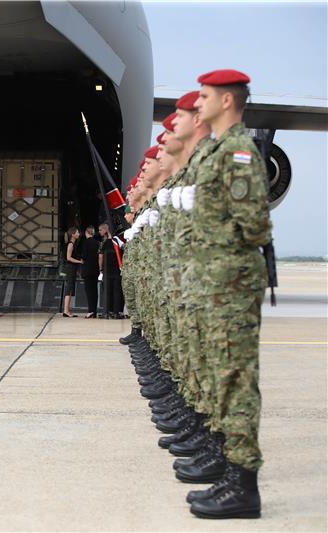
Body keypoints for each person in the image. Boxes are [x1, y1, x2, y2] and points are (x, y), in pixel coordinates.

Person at [183, 70, 271, 519]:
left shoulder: (237, 152)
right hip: (216, 283)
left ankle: (243, 484)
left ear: (228, 101)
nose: (199, 104)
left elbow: (254, 221)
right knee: (222, 373)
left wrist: (227, 259)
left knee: (236, 378)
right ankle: (228, 466)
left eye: (205, 96)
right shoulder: (217, 150)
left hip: (232, 283)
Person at [98, 223, 124, 318]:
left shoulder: (104, 243)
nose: (99, 232)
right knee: (117, 291)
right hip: (117, 270)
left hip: (107, 270)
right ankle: (116, 313)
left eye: (101, 230)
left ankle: (106, 312)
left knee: (107, 291)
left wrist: (100, 268)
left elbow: (100, 256)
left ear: (106, 230)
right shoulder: (117, 241)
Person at [80, 226, 101, 319]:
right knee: (95, 291)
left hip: (87, 270)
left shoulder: (85, 243)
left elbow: (84, 256)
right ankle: (95, 311)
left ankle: (90, 311)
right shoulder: (97, 243)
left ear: (86, 233)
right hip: (95, 270)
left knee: (89, 291)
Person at [61, 227, 83, 317]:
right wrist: (79, 261)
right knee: (69, 288)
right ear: (73, 234)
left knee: (70, 289)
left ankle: (67, 310)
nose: (78, 233)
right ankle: (66, 310)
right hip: (70, 268)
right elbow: (68, 258)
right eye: (77, 232)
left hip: (72, 268)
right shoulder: (70, 244)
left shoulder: (73, 244)